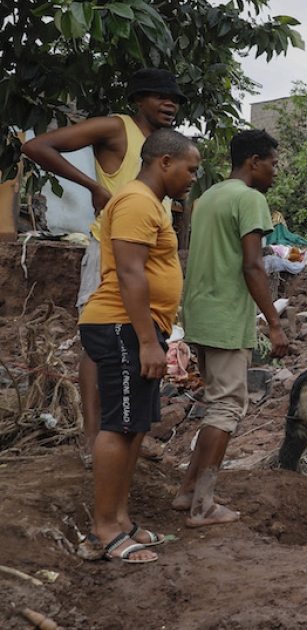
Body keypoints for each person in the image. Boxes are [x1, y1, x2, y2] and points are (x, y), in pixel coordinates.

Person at [20, 68, 186, 465]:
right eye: (159, 96)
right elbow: (39, 146)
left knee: (138, 343)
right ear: (137, 99)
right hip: (113, 251)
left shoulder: (163, 146)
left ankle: (128, 431)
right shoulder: (116, 128)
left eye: (176, 100)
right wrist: (94, 186)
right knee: (101, 345)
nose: (170, 104)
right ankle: (93, 437)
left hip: (145, 251)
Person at [77, 129, 200, 563]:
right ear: (164, 162)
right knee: (120, 424)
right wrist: (149, 342)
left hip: (139, 328)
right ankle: (103, 530)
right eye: (190, 168)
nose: (192, 178)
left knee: (134, 427)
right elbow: (130, 274)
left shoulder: (152, 204)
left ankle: (120, 520)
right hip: (122, 326)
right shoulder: (135, 201)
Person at [171, 130, 289, 527]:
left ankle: (188, 490)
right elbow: (252, 264)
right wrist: (274, 324)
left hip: (199, 314)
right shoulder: (250, 198)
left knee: (215, 405)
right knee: (226, 408)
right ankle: (203, 506)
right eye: (273, 163)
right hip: (224, 316)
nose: (276, 172)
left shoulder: (208, 198)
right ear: (254, 161)